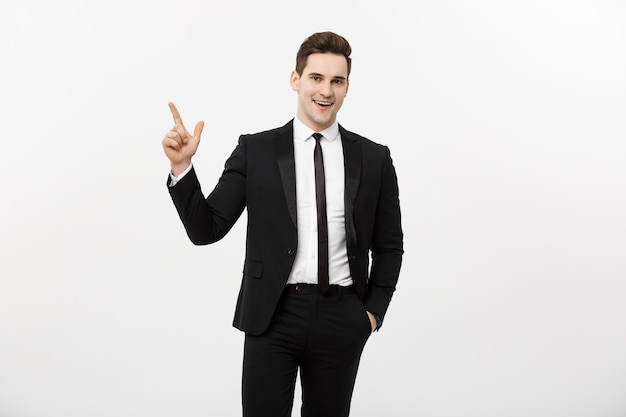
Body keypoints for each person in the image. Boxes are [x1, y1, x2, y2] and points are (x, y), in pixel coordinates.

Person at [162, 31, 403, 417]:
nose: (325, 90)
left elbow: (389, 246)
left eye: (336, 81)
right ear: (296, 80)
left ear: (346, 88)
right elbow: (206, 230)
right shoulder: (255, 150)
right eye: (316, 78)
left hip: (343, 314)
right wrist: (182, 168)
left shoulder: (374, 158)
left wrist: (371, 313)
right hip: (272, 314)